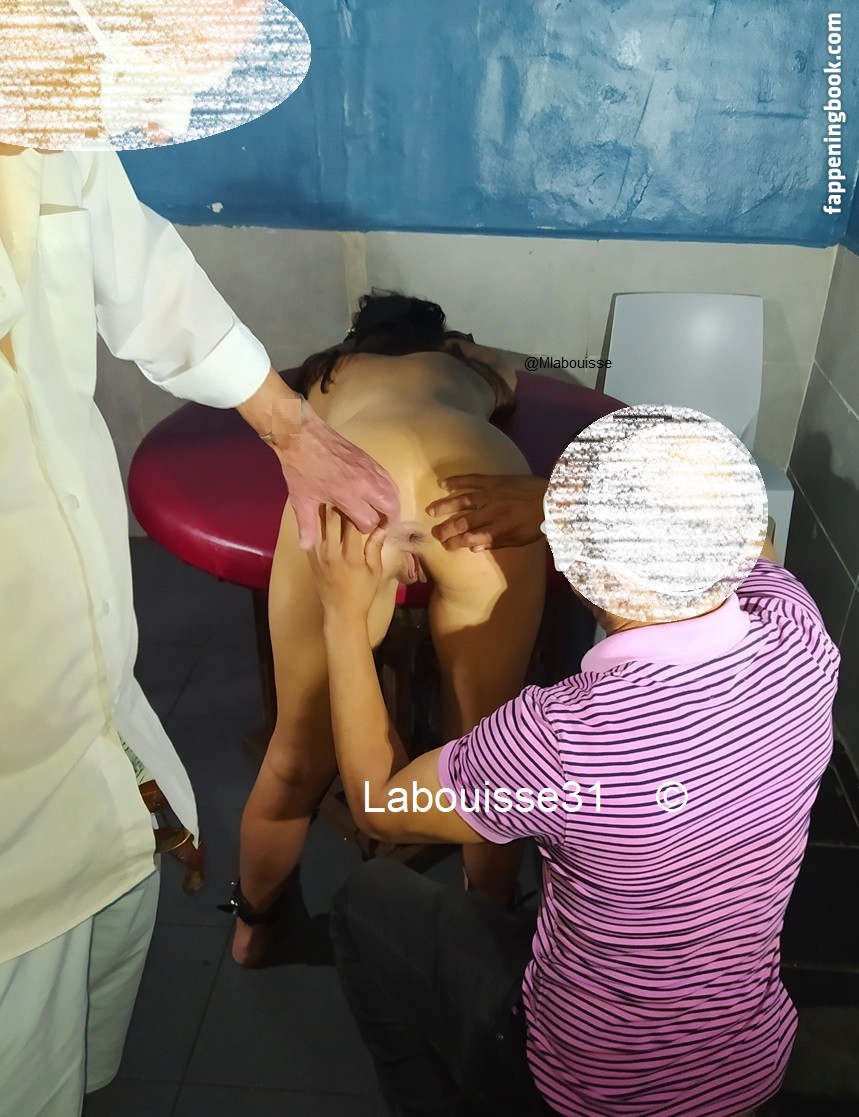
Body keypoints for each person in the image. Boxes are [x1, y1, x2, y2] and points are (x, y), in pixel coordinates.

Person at [0, 14, 397, 1111]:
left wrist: (293, 429)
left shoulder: (46, 114)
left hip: (78, 684)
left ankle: (245, 917)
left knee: (81, 1012)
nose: (166, 117)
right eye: (140, 78)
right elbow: (387, 794)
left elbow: (143, 274)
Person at [304, 406, 840, 1117]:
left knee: (365, 900)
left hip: (591, 1087)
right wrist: (558, 506)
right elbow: (759, 539)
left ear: (581, 573)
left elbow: (380, 804)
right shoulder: (798, 632)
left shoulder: (563, 740)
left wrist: (343, 617)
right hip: (747, 1064)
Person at [224, 292, 547, 966]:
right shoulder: (468, 364)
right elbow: (515, 372)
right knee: (487, 754)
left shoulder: (326, 371)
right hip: (470, 473)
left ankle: (254, 929)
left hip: (352, 478)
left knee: (296, 753)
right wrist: (467, 353)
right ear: (442, 337)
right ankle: (485, 934)